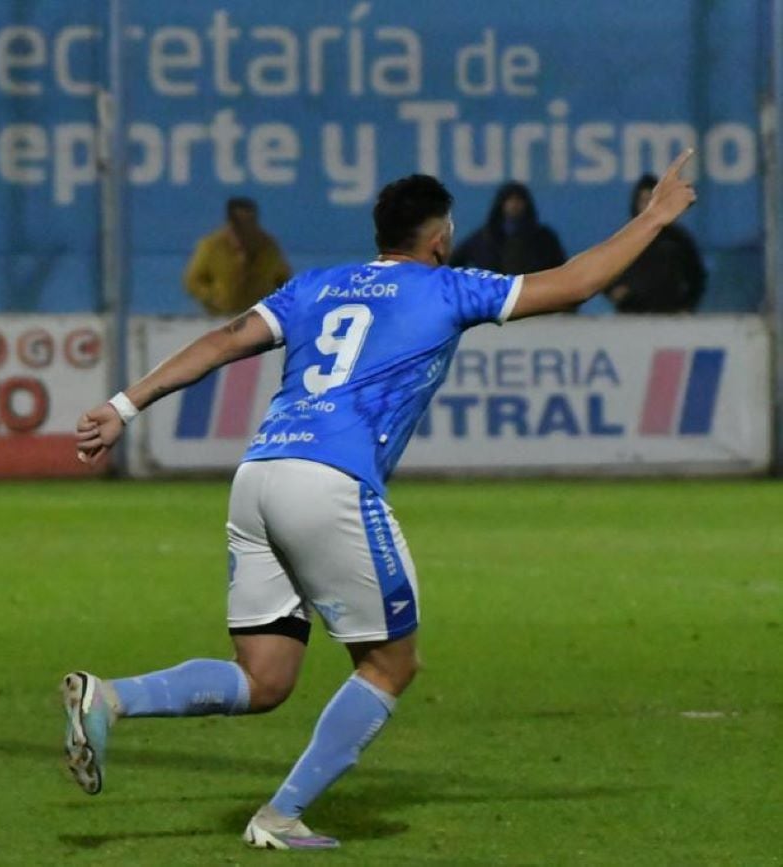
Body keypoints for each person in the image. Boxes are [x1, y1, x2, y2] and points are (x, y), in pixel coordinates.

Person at [62, 152, 697, 849]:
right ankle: (279, 816)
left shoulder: (318, 286)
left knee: (264, 677)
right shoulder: (447, 288)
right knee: (392, 664)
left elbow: (223, 339)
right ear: (439, 239)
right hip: (329, 482)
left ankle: (110, 697)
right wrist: (655, 217)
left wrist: (124, 404)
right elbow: (577, 283)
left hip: (260, 475)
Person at [606, 174, 706, 312]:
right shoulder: (624, 237)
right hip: (630, 317)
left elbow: (696, 276)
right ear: (635, 203)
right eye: (643, 201)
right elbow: (603, 270)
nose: (647, 206)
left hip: (671, 316)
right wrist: (612, 291)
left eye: (651, 201)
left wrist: (688, 305)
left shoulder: (678, 239)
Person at [183, 197, 292, 315]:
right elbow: (193, 281)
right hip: (220, 317)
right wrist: (213, 297)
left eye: (249, 222)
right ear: (229, 222)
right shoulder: (212, 246)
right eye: (238, 223)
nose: (244, 228)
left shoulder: (268, 246)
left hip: (257, 316)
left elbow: (283, 279)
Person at [451, 181, 567, 275]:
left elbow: (561, 269)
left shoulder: (544, 238)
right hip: (494, 300)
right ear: (501, 204)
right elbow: (454, 261)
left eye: (518, 200)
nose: (514, 204)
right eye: (510, 200)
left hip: (533, 297)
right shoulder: (484, 238)